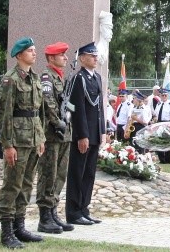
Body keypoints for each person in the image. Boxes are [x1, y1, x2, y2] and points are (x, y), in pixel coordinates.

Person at [0, 37, 46, 248]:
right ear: (19, 55)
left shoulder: (34, 78)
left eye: (34, 50)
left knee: (26, 185)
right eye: (30, 51)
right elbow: (4, 114)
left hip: (33, 139)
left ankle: (20, 226)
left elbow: (39, 112)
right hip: (17, 140)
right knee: (12, 185)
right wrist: (8, 145)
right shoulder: (11, 79)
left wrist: (41, 137)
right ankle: (7, 232)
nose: (34, 53)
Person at [65, 42, 106, 226]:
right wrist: (82, 135)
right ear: (82, 58)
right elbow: (78, 109)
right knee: (77, 173)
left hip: (95, 133)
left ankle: (84, 208)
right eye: (92, 55)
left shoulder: (97, 77)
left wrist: (103, 131)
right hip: (83, 135)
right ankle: (73, 212)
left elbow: (100, 108)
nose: (95, 58)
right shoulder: (78, 78)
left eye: (96, 55)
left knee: (89, 173)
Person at [36, 42, 74, 234]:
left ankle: (53, 212)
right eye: (62, 55)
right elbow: (49, 102)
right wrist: (57, 122)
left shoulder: (61, 78)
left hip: (65, 133)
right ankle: (44, 217)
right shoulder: (46, 77)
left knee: (60, 174)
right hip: (52, 133)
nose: (65, 58)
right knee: (48, 174)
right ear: (51, 58)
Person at [154, 88, 170, 164]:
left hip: (167, 123)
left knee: (167, 141)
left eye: (165, 95)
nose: (164, 96)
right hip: (159, 123)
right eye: (162, 95)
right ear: (160, 96)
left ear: (167, 96)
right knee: (159, 141)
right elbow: (156, 115)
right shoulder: (159, 103)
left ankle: (168, 159)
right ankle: (161, 159)